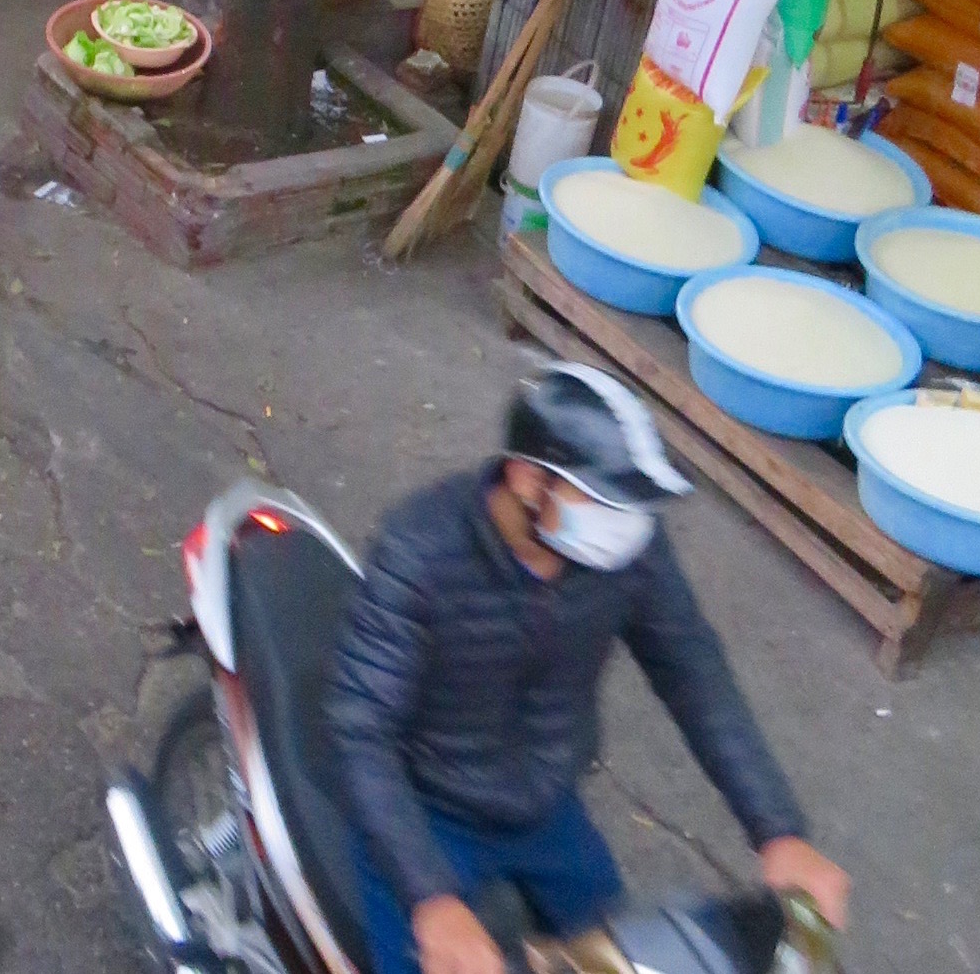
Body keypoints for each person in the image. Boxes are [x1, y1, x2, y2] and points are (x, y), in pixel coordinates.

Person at [324, 365, 851, 974]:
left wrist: (778, 830)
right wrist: (432, 901)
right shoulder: (418, 551)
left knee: (617, 952)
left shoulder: (629, 552)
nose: (624, 525)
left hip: (546, 805)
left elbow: (694, 673)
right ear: (527, 478)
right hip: (429, 810)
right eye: (600, 499)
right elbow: (361, 732)